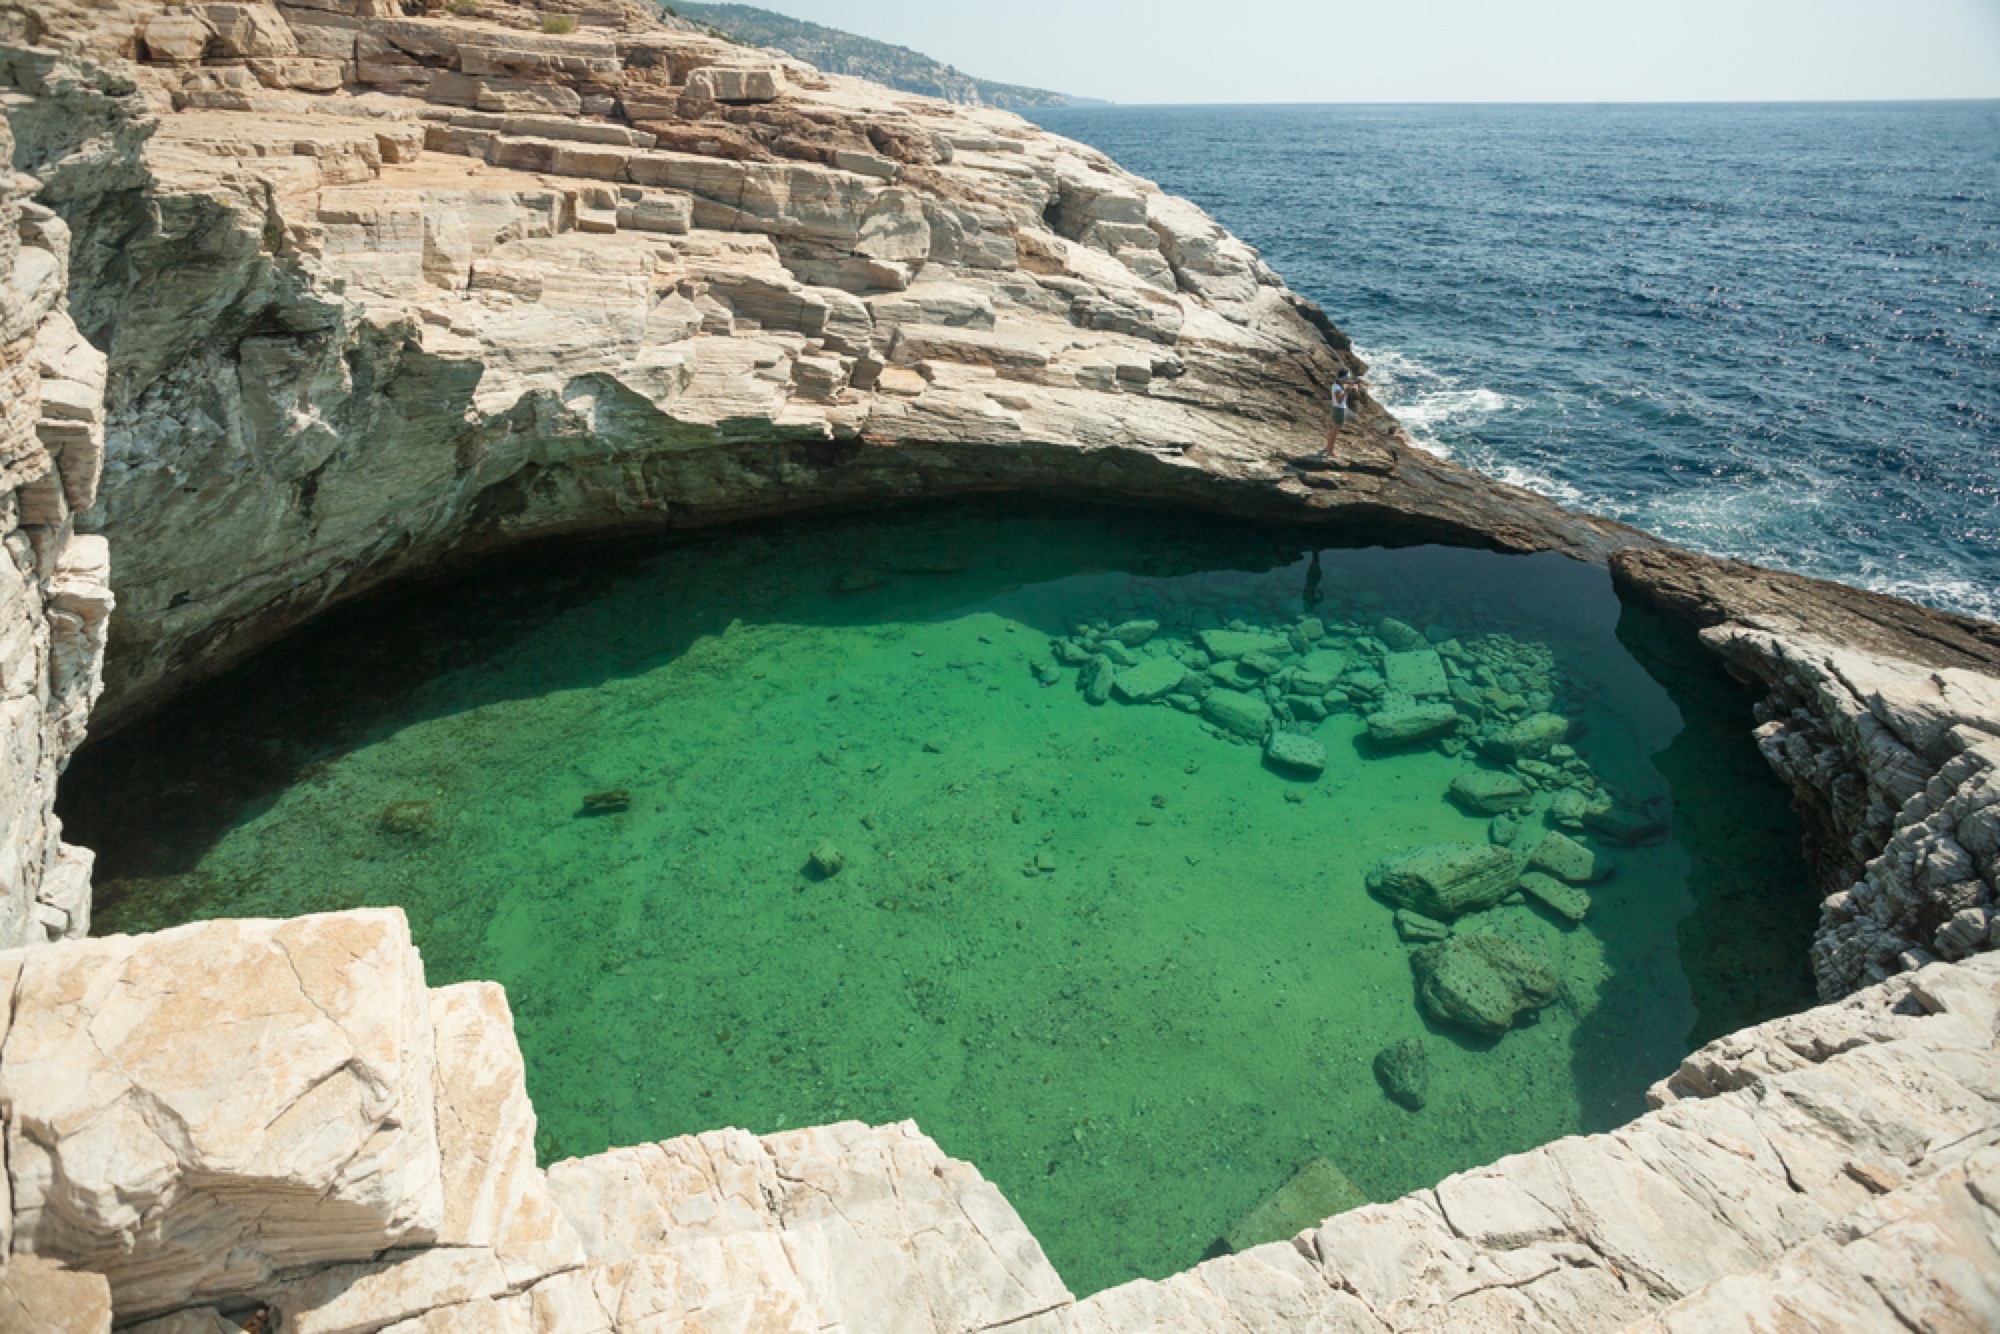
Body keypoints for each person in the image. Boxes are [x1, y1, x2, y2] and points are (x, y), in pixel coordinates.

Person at [1325, 377, 1352, 456]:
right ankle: (1331, 450)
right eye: (1346, 378)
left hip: (1336, 408)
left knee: (1334, 429)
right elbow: (1339, 400)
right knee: (1335, 431)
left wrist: (1349, 388)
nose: (1346, 380)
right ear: (1341, 379)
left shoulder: (1337, 385)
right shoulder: (1337, 388)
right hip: (1339, 409)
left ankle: (1328, 447)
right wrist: (1346, 392)